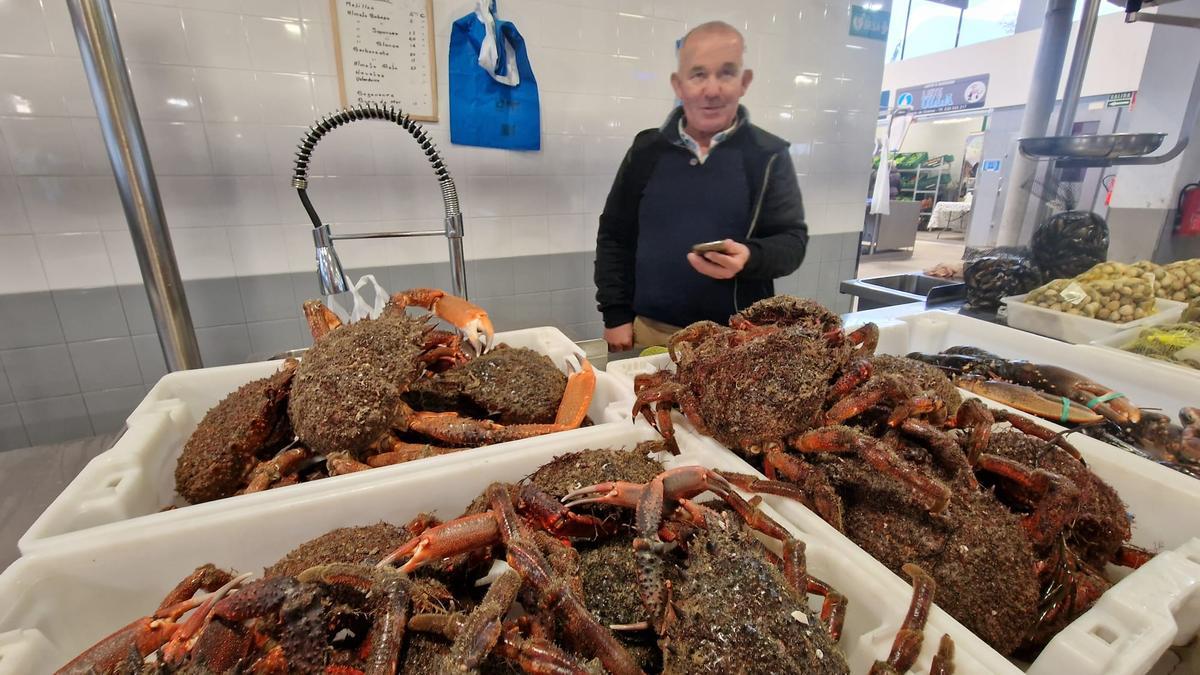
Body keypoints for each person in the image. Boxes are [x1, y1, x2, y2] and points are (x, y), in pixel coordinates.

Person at [594, 21, 808, 352]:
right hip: (649, 331)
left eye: (726, 73)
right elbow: (614, 234)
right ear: (679, 85)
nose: (712, 89)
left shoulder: (768, 155)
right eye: (698, 75)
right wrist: (615, 314)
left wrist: (749, 257)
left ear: (744, 81)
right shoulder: (646, 149)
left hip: (736, 340)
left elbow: (792, 242)